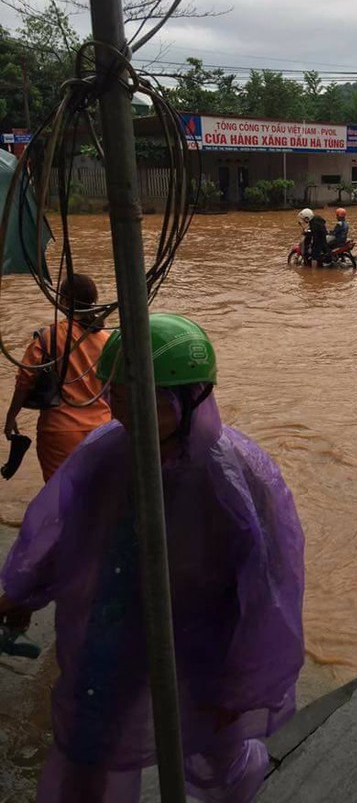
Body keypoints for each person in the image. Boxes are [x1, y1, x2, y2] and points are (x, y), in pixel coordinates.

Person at [0, 313, 305, 803]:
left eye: (134, 395)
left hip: (208, 629)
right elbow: (60, 532)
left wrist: (247, 671)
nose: (117, 405)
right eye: (115, 393)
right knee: (90, 742)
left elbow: (270, 581)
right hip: (114, 616)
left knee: (213, 747)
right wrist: (22, 594)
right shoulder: (106, 452)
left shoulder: (235, 475)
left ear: (189, 399)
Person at [4, 273, 111, 482]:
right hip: (102, 430)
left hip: (59, 432)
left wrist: (10, 418)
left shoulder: (48, 338)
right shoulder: (108, 340)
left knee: (58, 497)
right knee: (96, 496)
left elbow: (25, 381)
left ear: (62, 300)